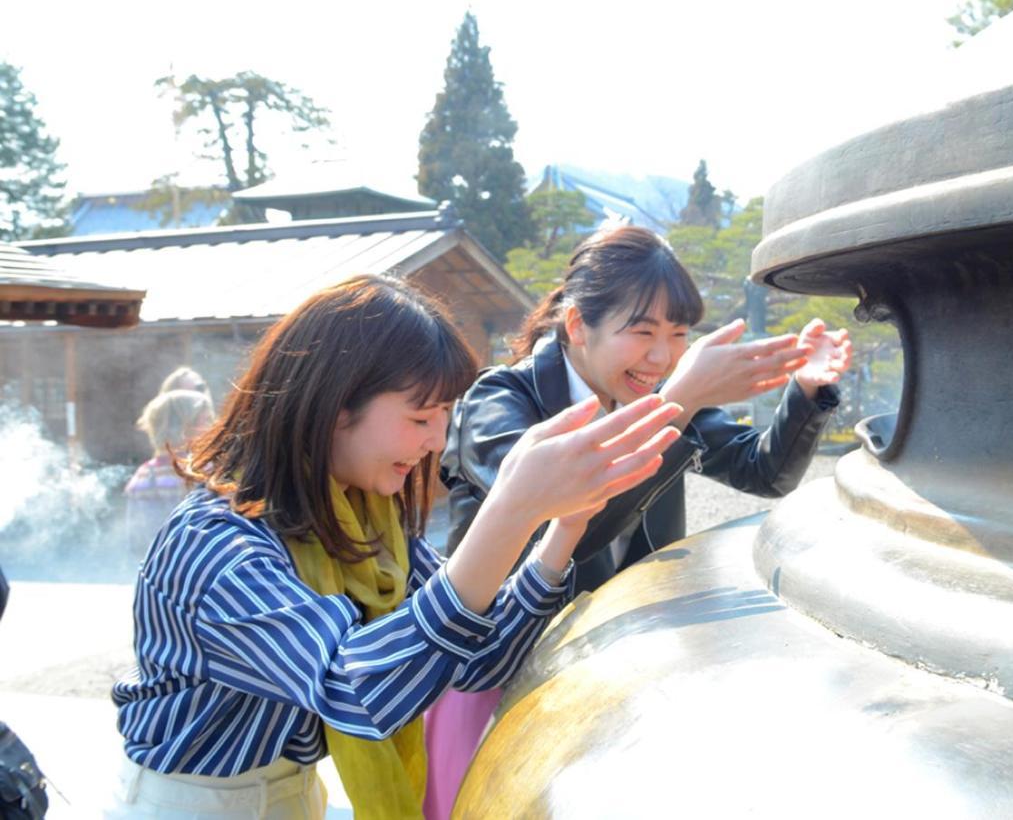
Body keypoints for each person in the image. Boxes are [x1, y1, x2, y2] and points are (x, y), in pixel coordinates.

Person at [108, 275, 682, 819]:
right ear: (335, 408)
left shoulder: (362, 523)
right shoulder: (215, 544)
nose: (436, 440)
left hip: (288, 796)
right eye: (419, 417)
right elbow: (357, 695)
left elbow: (477, 660)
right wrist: (508, 512)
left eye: (443, 417)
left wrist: (563, 529)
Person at [426, 226, 852, 815]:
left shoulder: (653, 395)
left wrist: (807, 391)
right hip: (499, 670)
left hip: (617, 666)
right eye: (642, 331)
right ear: (578, 326)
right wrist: (677, 401)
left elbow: (763, 473)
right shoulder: (500, 401)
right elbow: (561, 526)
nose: (661, 356)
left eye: (678, 335)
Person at [123, 389, 215, 555]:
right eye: (207, 419)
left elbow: (135, 543)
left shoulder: (143, 474)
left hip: (158, 570)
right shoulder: (205, 470)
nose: (214, 425)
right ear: (184, 426)